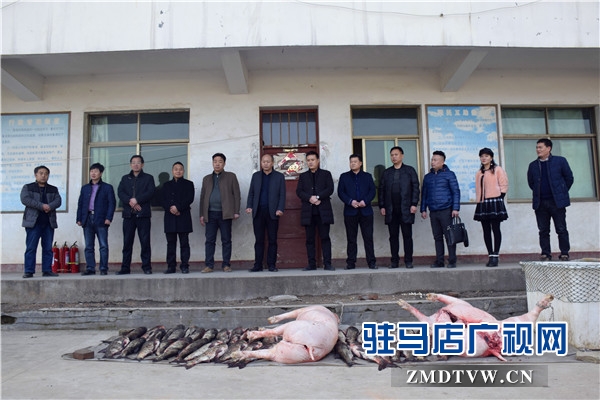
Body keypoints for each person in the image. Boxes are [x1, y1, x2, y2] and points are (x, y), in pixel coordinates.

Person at [527, 138, 574, 261]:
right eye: (537, 147)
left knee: (561, 229)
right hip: (540, 203)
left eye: (540, 147)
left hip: (557, 202)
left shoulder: (560, 161)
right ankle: (546, 253)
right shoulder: (533, 165)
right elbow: (531, 183)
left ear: (548, 148)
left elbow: (569, 178)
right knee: (543, 230)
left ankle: (564, 253)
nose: (538, 150)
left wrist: (561, 192)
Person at [378, 146, 420, 269]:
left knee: (407, 236)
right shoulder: (387, 173)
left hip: (406, 209)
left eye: (396, 154)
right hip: (391, 210)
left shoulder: (409, 171)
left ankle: (408, 261)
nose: (394, 157)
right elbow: (381, 190)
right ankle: (394, 261)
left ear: (402, 155)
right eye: (392, 155)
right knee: (393, 237)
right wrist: (382, 206)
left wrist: (414, 204)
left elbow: (416, 188)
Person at [199, 153, 241, 273]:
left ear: (224, 163)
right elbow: (202, 197)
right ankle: (209, 265)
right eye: (215, 161)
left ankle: (226, 265)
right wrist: (202, 214)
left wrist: (236, 211)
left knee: (226, 240)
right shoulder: (206, 179)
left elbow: (237, 195)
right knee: (209, 240)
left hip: (225, 213)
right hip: (210, 214)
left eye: (220, 161)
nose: (217, 164)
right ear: (212, 163)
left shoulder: (231, 176)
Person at [420, 151, 461, 269]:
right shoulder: (428, 177)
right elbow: (424, 194)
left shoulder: (449, 175)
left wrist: (455, 208)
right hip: (433, 211)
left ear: (442, 162)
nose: (432, 162)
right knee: (437, 237)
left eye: (435, 160)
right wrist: (423, 209)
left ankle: (452, 260)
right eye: (432, 160)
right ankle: (439, 261)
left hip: (446, 210)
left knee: (449, 236)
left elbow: (455, 192)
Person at [246, 154, 286, 272]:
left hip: (273, 212)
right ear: (261, 163)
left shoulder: (279, 176)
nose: (265, 164)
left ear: (272, 163)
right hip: (258, 212)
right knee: (259, 240)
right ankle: (258, 265)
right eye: (263, 161)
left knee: (272, 240)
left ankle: (271, 265)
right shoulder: (256, 176)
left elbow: (282, 194)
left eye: (268, 162)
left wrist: (280, 208)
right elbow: (251, 193)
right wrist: (249, 206)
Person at [20, 165, 62, 278]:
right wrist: (42, 206)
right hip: (33, 223)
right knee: (31, 248)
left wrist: (49, 206)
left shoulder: (53, 189)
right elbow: (25, 199)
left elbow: (58, 201)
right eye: (41, 173)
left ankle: (47, 270)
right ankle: (29, 271)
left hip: (49, 223)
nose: (43, 176)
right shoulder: (28, 187)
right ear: (36, 175)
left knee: (48, 248)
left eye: (46, 174)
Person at [296, 151, 335, 271]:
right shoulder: (303, 176)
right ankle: (311, 264)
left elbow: (330, 189)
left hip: (323, 211)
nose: (310, 162)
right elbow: (299, 191)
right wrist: (310, 198)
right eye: (308, 160)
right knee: (310, 239)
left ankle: (327, 263)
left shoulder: (326, 174)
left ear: (318, 161)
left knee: (325, 237)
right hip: (309, 212)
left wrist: (318, 197)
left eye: (312, 160)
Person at [116, 155, 155, 275]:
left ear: (142, 164)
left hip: (143, 215)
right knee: (127, 243)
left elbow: (151, 192)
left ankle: (147, 267)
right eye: (133, 162)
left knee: (145, 242)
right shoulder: (125, 178)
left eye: (138, 162)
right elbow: (120, 192)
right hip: (128, 215)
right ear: (130, 165)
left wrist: (137, 200)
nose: (136, 164)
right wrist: (130, 201)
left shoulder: (148, 178)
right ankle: (125, 268)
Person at [338, 154, 377, 270]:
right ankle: (351, 263)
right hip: (350, 211)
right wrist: (350, 201)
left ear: (360, 163)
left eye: (355, 161)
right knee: (351, 239)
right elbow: (341, 192)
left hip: (366, 211)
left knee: (368, 238)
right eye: (351, 162)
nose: (353, 163)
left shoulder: (367, 176)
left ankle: (371, 262)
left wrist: (365, 201)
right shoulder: (344, 177)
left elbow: (372, 191)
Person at [76, 163, 116, 276]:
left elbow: (112, 204)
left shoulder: (107, 187)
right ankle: (90, 268)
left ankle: (103, 268)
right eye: (91, 171)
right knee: (89, 246)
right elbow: (80, 204)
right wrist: (79, 218)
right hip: (87, 218)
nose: (93, 173)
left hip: (101, 219)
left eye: (96, 171)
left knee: (103, 245)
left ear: (101, 173)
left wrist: (109, 218)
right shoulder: (85, 188)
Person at [473, 148, 509, 267]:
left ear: (491, 158)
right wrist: (479, 200)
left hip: (494, 201)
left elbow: (504, 184)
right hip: (483, 202)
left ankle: (496, 255)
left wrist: (499, 197)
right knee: (486, 230)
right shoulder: (479, 173)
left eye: (486, 156)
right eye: (482, 156)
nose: (484, 158)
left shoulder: (497, 170)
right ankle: (490, 255)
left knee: (496, 228)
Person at [162, 162, 195, 274]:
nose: (178, 171)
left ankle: (184, 266)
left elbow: (190, 198)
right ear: (172, 171)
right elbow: (162, 200)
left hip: (183, 216)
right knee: (170, 243)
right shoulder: (166, 185)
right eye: (176, 169)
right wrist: (171, 208)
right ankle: (171, 266)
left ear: (183, 171)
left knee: (184, 243)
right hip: (170, 217)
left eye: (180, 169)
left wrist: (178, 208)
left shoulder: (189, 184)